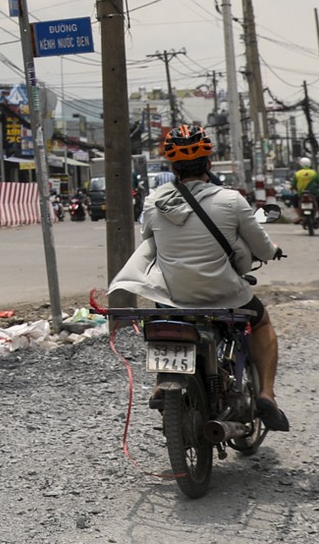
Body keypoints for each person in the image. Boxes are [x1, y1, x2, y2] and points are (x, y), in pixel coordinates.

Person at [109, 123, 290, 432]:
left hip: (173, 299)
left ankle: (162, 383)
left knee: (163, 327)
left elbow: (150, 242)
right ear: (209, 162)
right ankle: (267, 395)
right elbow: (261, 246)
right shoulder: (231, 200)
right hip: (226, 296)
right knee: (261, 321)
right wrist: (273, 251)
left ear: (172, 166)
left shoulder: (154, 202)